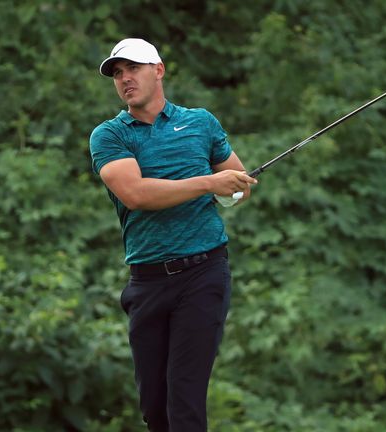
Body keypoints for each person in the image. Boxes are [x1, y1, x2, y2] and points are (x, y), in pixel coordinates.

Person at [89, 38, 257, 431]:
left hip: (204, 273)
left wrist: (232, 190)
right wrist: (207, 184)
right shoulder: (110, 135)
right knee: (155, 409)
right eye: (117, 73)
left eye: (133, 68)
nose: (125, 78)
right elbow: (136, 194)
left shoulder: (200, 122)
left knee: (184, 400)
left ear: (158, 70)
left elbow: (237, 183)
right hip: (147, 281)